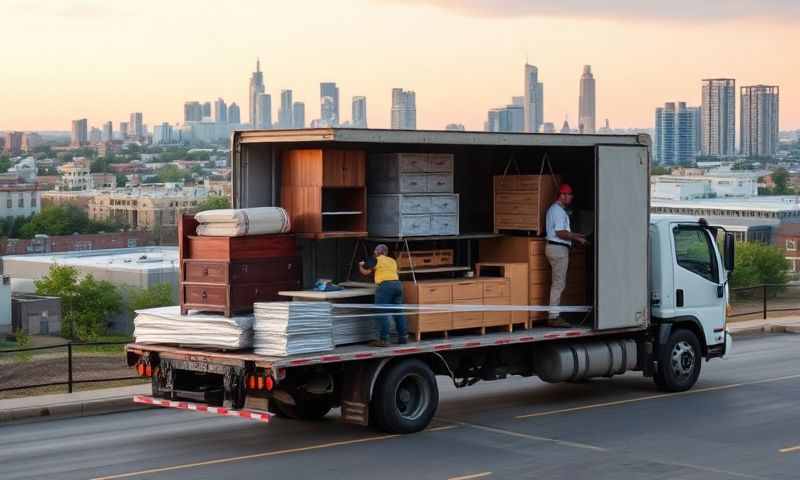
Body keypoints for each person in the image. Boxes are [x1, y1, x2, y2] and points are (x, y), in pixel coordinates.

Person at [545, 183, 587, 328]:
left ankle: (554, 314)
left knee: (557, 282)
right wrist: (576, 238)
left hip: (554, 248)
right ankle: (553, 316)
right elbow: (560, 232)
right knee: (558, 284)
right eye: (568, 195)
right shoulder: (558, 211)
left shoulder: (556, 210)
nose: (570, 197)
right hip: (558, 249)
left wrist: (576, 235)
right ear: (562, 195)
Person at [359, 244, 408, 346]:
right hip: (398, 285)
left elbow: (366, 272)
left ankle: (384, 339)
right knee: (398, 312)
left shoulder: (376, 259)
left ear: (376, 252)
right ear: (386, 253)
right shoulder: (392, 260)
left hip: (385, 286)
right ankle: (403, 338)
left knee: (382, 312)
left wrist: (361, 265)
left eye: (375, 251)